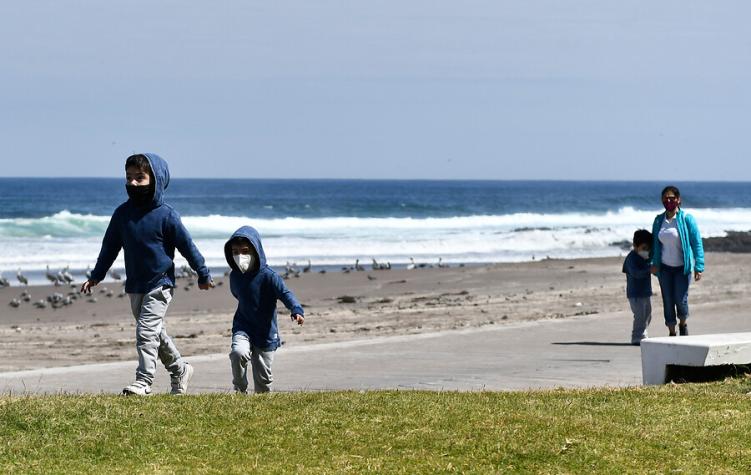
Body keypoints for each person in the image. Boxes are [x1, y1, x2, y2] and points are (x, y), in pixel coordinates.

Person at [81, 153, 213, 395]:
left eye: (139, 178)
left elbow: (188, 247)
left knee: (145, 332)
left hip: (160, 284)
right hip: (135, 285)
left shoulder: (167, 215)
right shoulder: (122, 214)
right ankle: (180, 369)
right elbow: (109, 247)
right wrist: (96, 275)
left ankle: (143, 382)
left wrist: (202, 273)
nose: (132, 183)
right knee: (155, 332)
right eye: (129, 178)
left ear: (156, 180)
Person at [224, 226, 304, 393]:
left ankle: (262, 402)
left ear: (256, 250)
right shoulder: (234, 276)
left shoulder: (269, 276)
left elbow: (285, 293)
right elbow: (238, 296)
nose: (240, 256)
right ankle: (240, 391)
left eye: (245, 251)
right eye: (235, 251)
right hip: (243, 326)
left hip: (266, 332)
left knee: (263, 379)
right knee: (238, 353)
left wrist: (296, 309)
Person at [650, 185, 704, 337]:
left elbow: (696, 243)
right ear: (662, 200)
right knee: (667, 301)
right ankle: (672, 332)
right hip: (664, 268)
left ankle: (683, 323)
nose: (668, 201)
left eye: (672, 198)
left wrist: (699, 266)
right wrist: (652, 263)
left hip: (682, 268)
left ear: (678, 200)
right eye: (665, 198)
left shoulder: (686, 219)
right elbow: (655, 243)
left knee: (680, 300)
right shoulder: (658, 220)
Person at [622, 229, 653, 345]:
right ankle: (636, 337)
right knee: (640, 315)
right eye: (644, 248)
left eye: (648, 249)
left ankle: (643, 333)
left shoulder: (646, 257)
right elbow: (636, 273)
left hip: (646, 292)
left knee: (648, 314)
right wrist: (649, 269)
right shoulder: (631, 259)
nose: (646, 251)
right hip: (635, 293)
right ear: (635, 246)